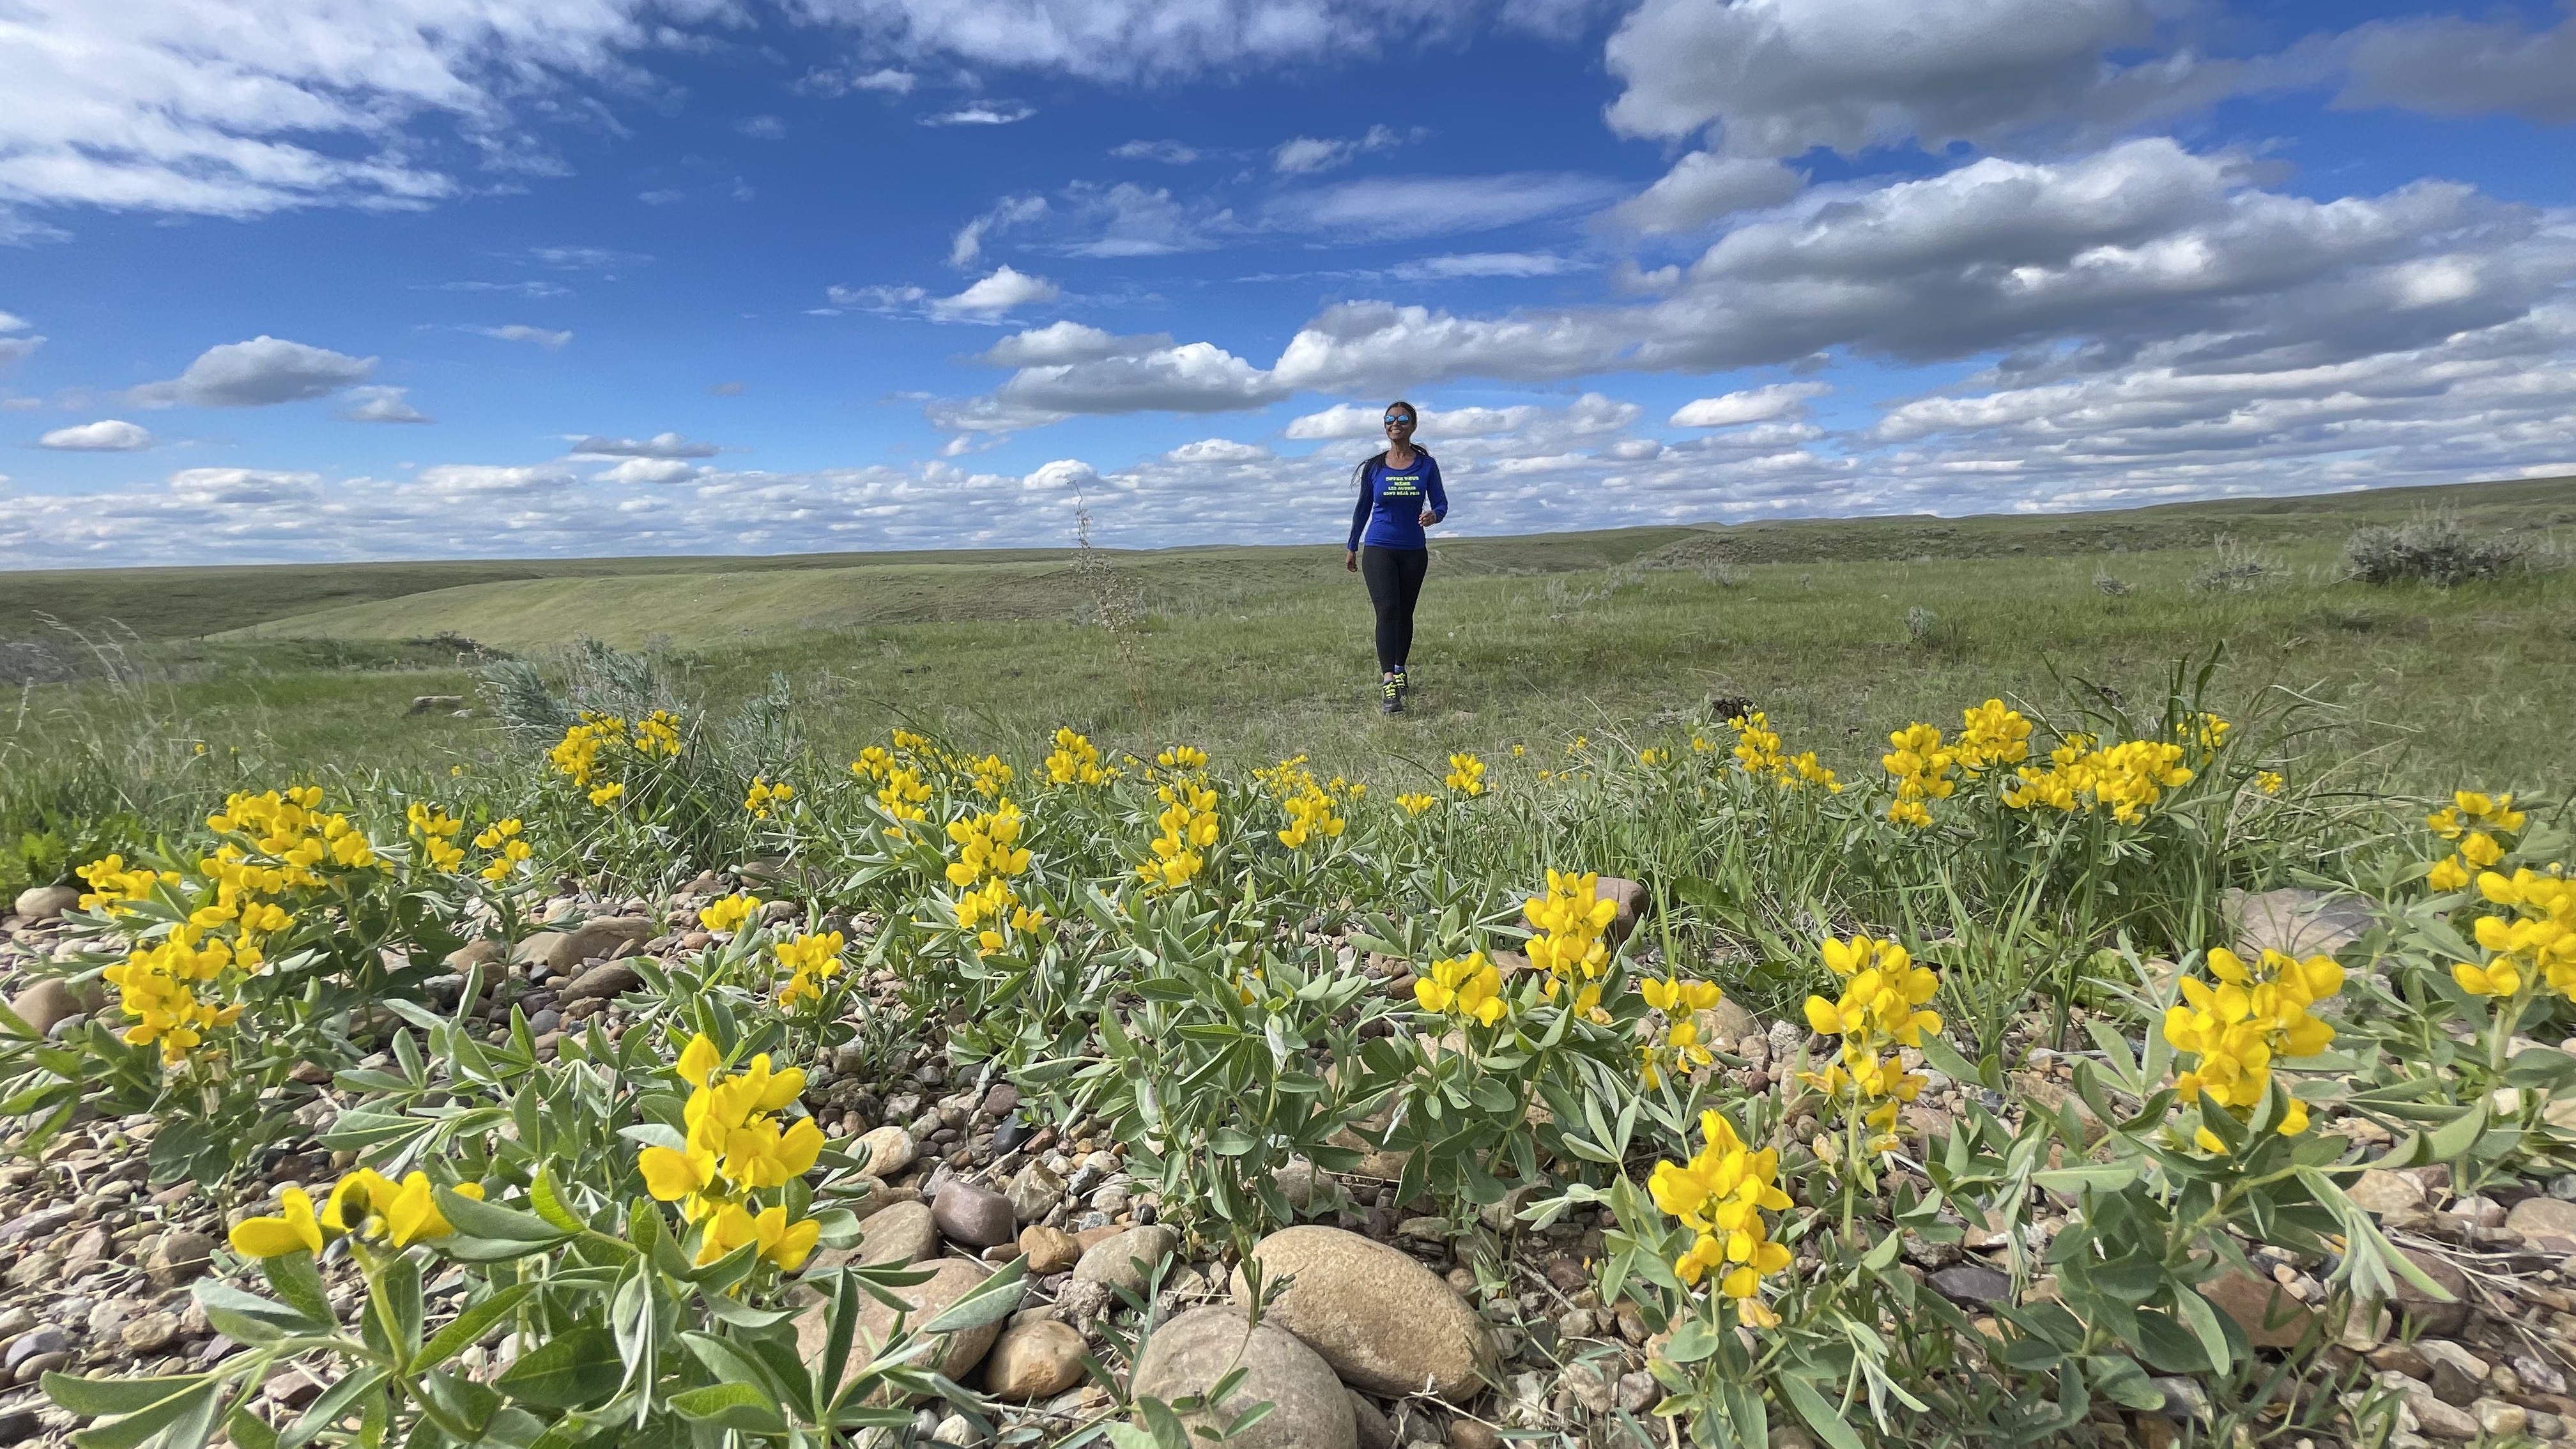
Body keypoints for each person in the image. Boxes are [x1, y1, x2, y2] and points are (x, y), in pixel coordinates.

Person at [1344, 401, 1448, 714]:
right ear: (1385, 426)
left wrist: (1434, 516)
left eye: (1403, 419)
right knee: (1387, 611)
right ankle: (1388, 681)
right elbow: (1363, 508)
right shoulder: (1375, 467)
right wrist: (1352, 545)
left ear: (1413, 426)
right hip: (1379, 547)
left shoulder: (1426, 465)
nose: (1395, 423)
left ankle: (1400, 669)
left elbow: (1441, 503)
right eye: (1390, 419)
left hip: (1414, 551)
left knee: (1405, 613)